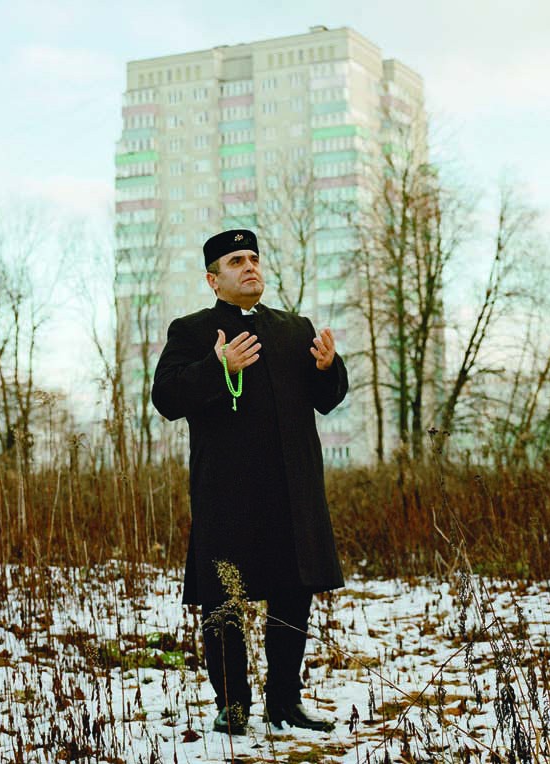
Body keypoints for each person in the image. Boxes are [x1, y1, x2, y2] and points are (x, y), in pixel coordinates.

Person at [151, 228, 348, 735]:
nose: (250, 267)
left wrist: (329, 367)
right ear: (213, 280)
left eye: (254, 258)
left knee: (292, 592)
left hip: (292, 489)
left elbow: (326, 398)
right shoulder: (191, 331)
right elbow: (166, 398)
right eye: (236, 261)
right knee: (225, 597)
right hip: (227, 494)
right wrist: (217, 366)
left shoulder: (293, 328)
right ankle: (232, 704)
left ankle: (285, 701)